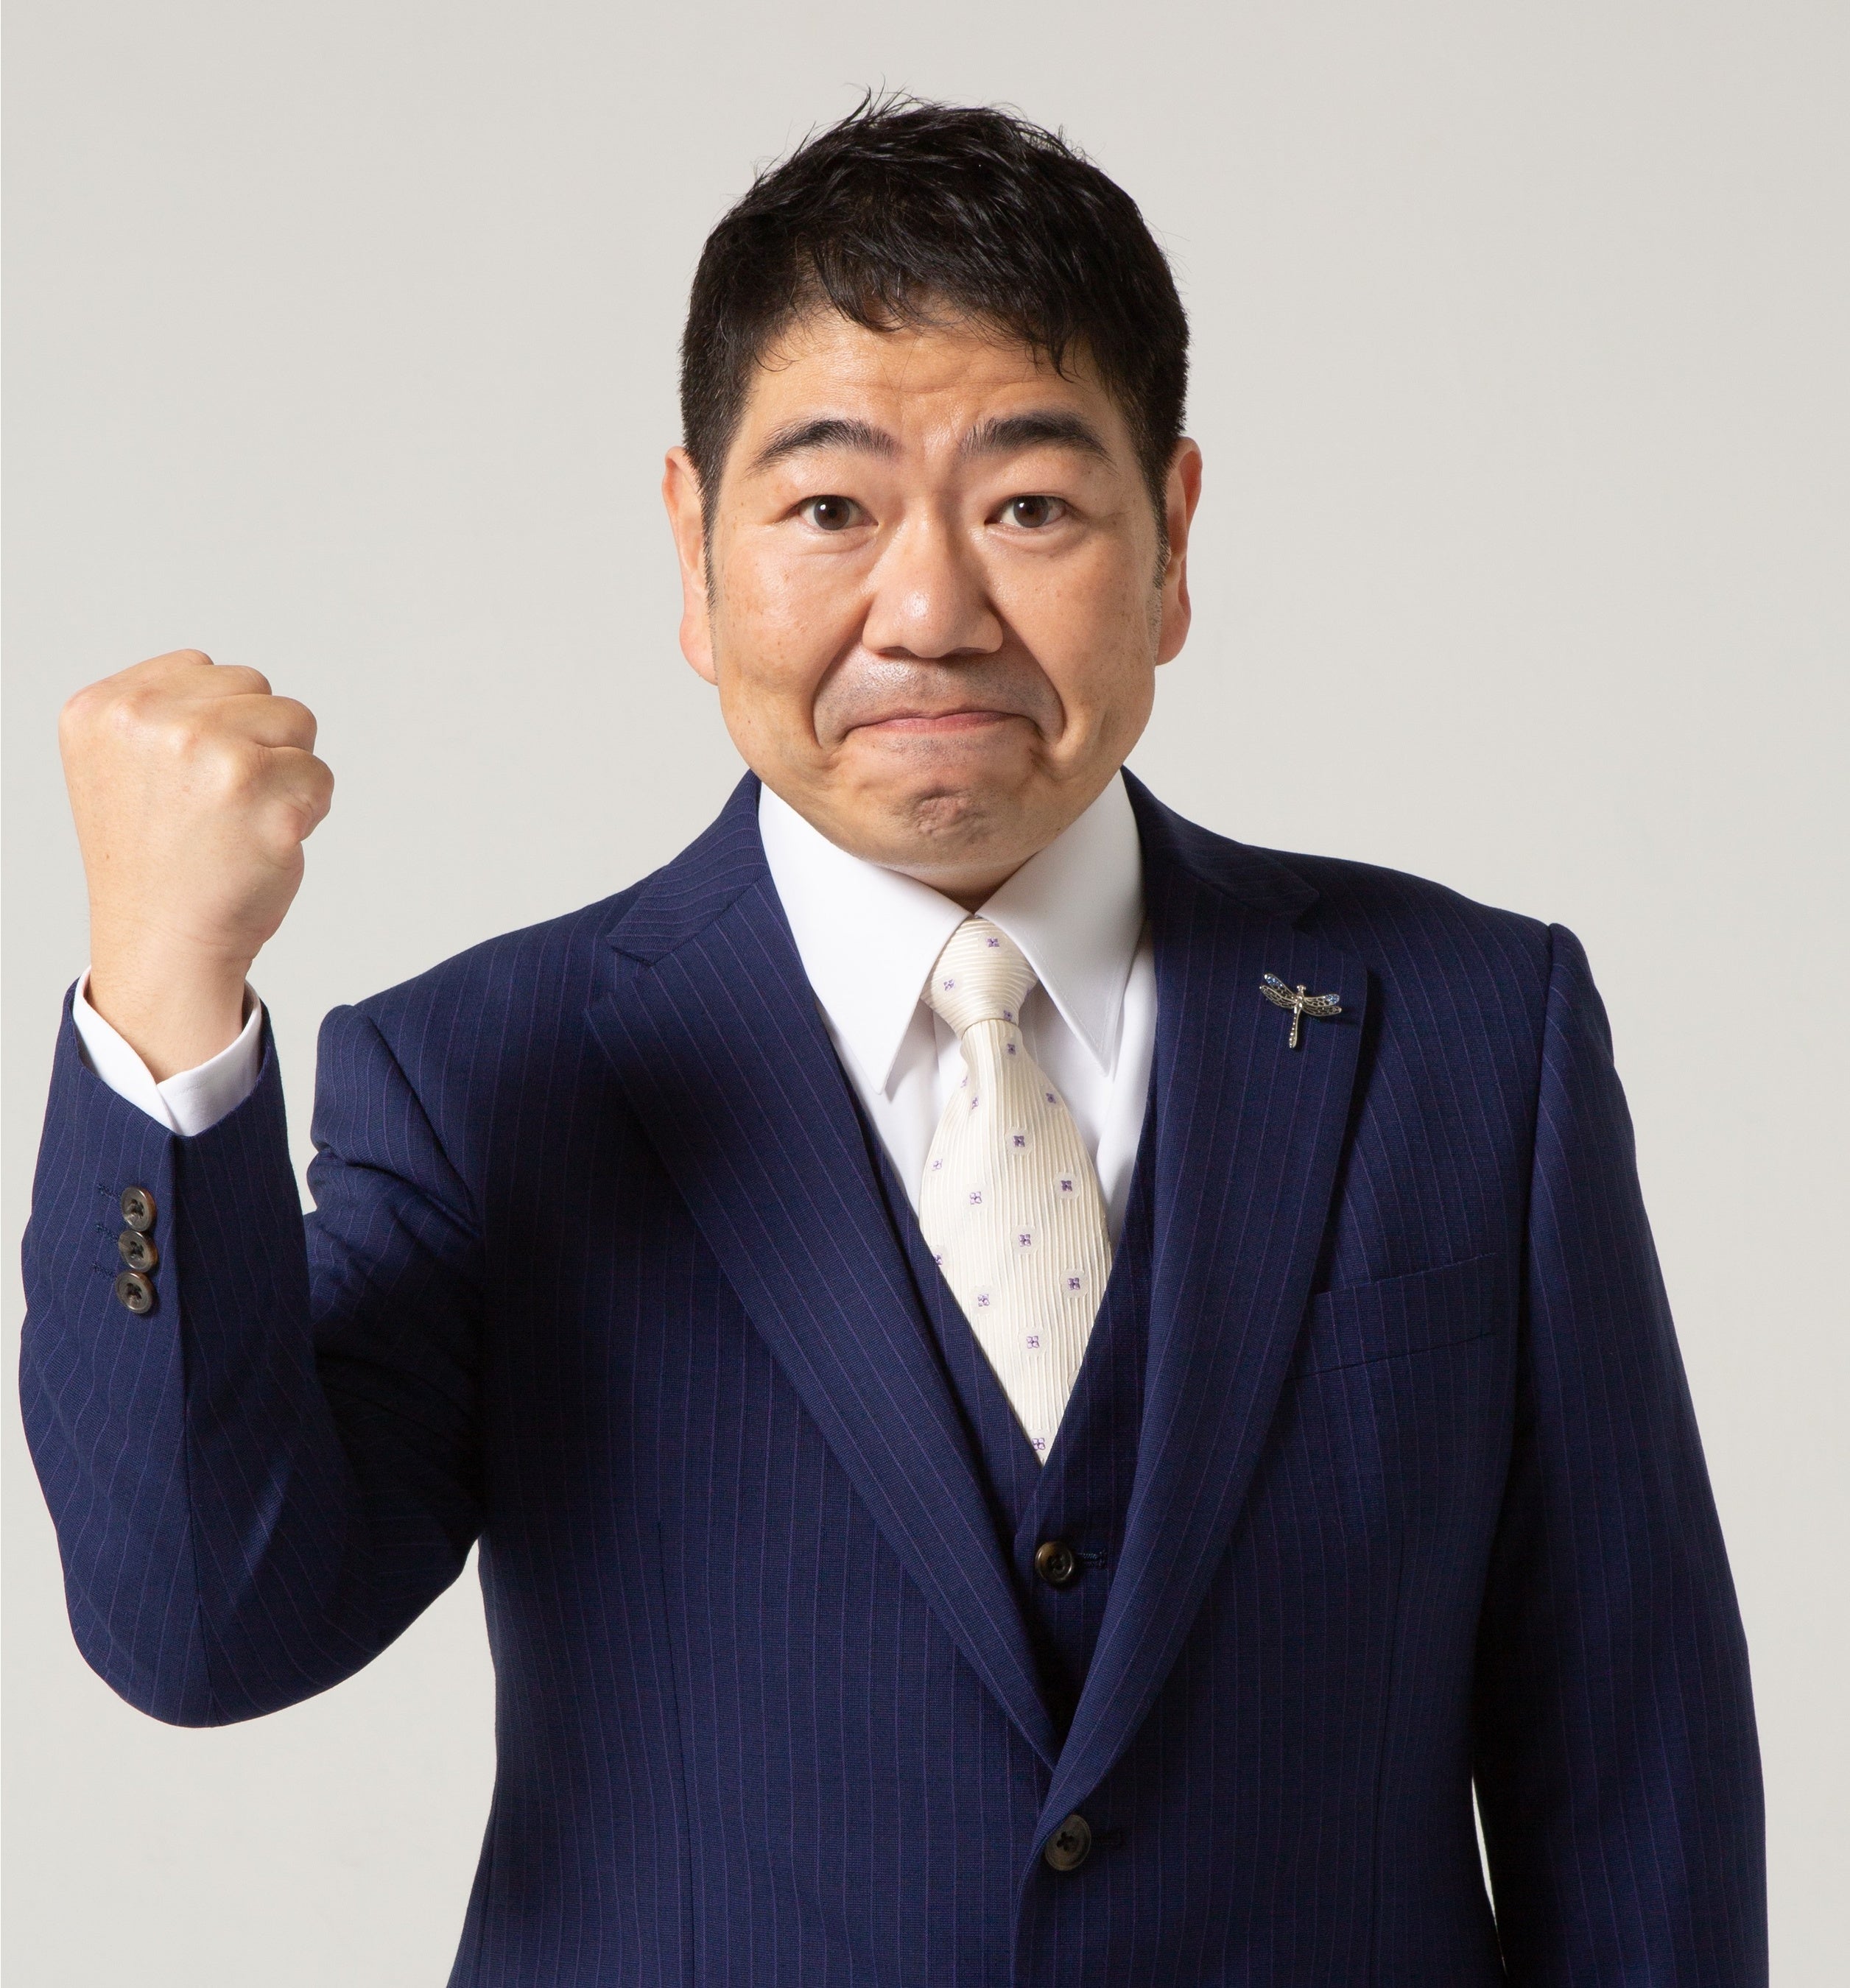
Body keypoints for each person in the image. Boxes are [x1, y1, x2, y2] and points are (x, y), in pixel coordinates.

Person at [21, 97, 1765, 1985]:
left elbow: (1632, 1771)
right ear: (693, 550)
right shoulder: (485, 1078)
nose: (927, 614)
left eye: (1029, 508)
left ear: (1170, 540)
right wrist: (165, 988)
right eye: (829, 510)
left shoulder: (1469, 1033)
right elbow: (203, 1627)